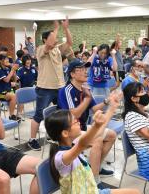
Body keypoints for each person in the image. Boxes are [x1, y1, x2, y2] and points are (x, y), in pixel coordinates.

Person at [45, 109, 140, 194]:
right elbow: (82, 144)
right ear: (65, 133)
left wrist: (111, 109)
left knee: (135, 192)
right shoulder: (60, 157)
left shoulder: (72, 144)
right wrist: (96, 125)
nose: (78, 122)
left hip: (93, 190)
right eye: (75, 122)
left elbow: (98, 134)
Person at [58, 59, 119, 187]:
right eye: (81, 69)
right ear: (72, 74)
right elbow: (74, 114)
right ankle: (95, 181)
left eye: (85, 69)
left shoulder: (85, 89)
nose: (86, 72)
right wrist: (87, 99)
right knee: (97, 140)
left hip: (82, 127)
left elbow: (95, 109)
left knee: (111, 135)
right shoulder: (66, 90)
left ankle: (95, 167)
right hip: (69, 132)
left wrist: (108, 101)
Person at [28, 16, 72, 150]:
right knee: (39, 115)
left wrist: (65, 28)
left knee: (61, 113)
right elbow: (49, 45)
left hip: (59, 87)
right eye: (52, 37)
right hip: (45, 88)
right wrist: (56, 29)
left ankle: (56, 135)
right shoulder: (41, 49)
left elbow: (69, 42)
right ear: (45, 40)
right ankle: (32, 139)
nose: (55, 39)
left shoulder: (57, 50)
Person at [0, 54, 20, 120]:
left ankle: (16, 114)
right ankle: (11, 115)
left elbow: (15, 80)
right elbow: (6, 80)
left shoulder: (7, 69)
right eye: (5, 59)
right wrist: (12, 70)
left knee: (18, 94)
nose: (7, 60)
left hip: (7, 90)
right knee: (13, 96)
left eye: (7, 59)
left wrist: (14, 70)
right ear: (1, 61)